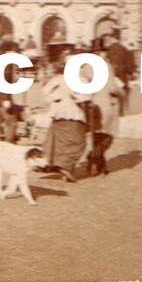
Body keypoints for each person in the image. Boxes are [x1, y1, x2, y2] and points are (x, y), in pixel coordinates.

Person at [40, 48, 89, 183]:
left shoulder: (58, 78)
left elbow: (45, 92)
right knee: (79, 142)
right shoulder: (80, 79)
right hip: (73, 113)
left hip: (58, 113)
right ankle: (66, 167)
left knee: (60, 141)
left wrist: (55, 99)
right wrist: (77, 97)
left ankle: (61, 167)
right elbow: (84, 96)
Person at [85, 64, 127, 176]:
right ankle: (93, 156)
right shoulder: (106, 68)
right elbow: (113, 89)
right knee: (108, 137)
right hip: (107, 106)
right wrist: (122, 92)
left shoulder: (86, 68)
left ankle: (101, 166)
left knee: (97, 137)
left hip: (94, 107)